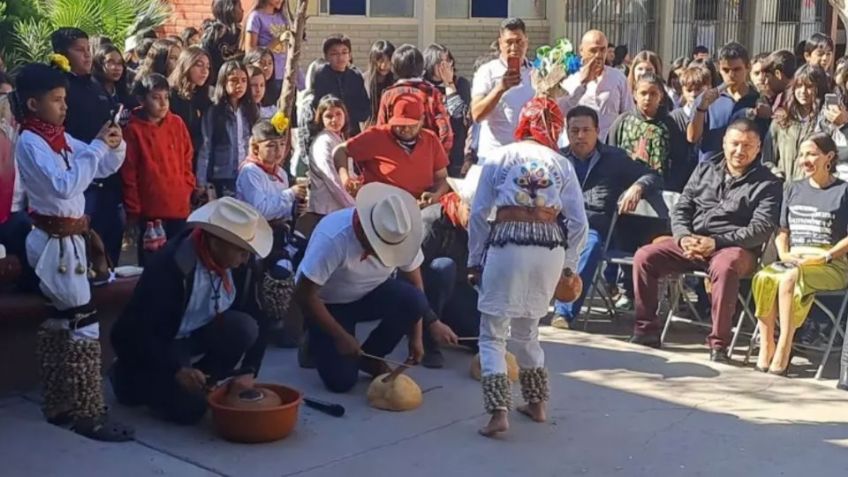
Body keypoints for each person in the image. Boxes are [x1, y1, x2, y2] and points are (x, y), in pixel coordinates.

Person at [13, 63, 132, 441]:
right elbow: (66, 186)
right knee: (84, 319)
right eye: (57, 100)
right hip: (53, 245)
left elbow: (103, 164)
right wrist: (96, 148)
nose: (64, 106)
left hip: (69, 243)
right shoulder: (31, 142)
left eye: (65, 99)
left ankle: (61, 401)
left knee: (62, 320)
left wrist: (112, 142)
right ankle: (87, 411)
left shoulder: (58, 137)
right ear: (33, 104)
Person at [468, 96, 588, 437]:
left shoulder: (500, 156)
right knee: (527, 330)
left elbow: (478, 215)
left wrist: (474, 260)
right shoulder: (561, 163)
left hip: (508, 243)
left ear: (522, 125)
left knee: (492, 334)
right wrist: (569, 265)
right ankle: (536, 403)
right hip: (548, 248)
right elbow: (579, 223)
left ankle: (498, 413)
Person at [630, 118, 782, 362]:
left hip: (734, 248)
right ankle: (646, 329)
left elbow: (760, 229)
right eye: (734, 144)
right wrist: (683, 237)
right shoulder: (705, 169)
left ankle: (718, 344)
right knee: (645, 256)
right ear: (724, 143)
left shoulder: (768, 183)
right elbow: (681, 209)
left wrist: (716, 243)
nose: (739, 151)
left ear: (758, 148)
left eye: (746, 146)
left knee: (725, 266)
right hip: (692, 240)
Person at [111, 197, 272, 424]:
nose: (245, 260)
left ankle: (203, 380)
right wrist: (175, 368)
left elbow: (259, 314)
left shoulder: (240, 265)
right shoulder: (170, 266)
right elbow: (140, 332)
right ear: (216, 243)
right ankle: (138, 382)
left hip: (194, 335)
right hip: (158, 343)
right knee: (191, 409)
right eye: (240, 252)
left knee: (244, 328)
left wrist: (249, 370)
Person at [294, 183, 459, 392]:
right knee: (341, 382)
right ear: (365, 230)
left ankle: (370, 356)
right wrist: (340, 336)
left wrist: (416, 338)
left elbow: (416, 284)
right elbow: (304, 294)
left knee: (414, 301)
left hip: (371, 293)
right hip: (328, 304)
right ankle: (314, 340)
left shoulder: (401, 231)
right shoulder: (334, 238)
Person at [551, 106, 662, 329]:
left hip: (594, 226)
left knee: (588, 245)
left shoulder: (615, 159)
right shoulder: (557, 159)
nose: (580, 136)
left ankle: (564, 312)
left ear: (597, 131)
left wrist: (638, 186)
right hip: (557, 224)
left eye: (586, 130)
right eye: (574, 131)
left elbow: (653, 175)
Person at [752, 134, 848, 376]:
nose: (805, 159)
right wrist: (784, 253)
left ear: (829, 157)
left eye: (812, 154)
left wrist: (825, 258)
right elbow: (782, 231)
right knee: (764, 276)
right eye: (803, 154)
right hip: (794, 257)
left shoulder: (843, 191)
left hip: (830, 262)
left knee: (788, 279)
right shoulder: (792, 188)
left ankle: (785, 344)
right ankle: (766, 343)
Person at [52, 28, 125, 267]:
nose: (87, 56)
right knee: (84, 241)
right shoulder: (59, 86)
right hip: (79, 177)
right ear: (62, 53)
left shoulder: (95, 84)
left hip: (108, 174)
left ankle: (109, 282)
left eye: (88, 50)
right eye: (79, 50)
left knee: (112, 233)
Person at [121, 73, 195, 265]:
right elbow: (129, 172)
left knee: (179, 262)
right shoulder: (133, 129)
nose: (163, 104)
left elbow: (187, 158)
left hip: (179, 205)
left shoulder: (177, 123)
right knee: (153, 265)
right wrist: (133, 210)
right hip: (151, 211)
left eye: (166, 97)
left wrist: (187, 186)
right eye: (155, 98)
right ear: (141, 100)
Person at [418, 166, 484, 367]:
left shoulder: (482, 228)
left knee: (481, 336)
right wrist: (431, 320)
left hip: (457, 287)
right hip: (423, 292)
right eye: (472, 211)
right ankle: (426, 339)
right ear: (460, 201)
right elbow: (410, 276)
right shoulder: (431, 221)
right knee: (443, 267)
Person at [334, 95, 450, 207]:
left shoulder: (431, 140)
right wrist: (346, 180)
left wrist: (435, 195)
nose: (405, 129)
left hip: (418, 210)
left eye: (411, 125)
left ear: (422, 120)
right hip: (380, 209)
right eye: (400, 125)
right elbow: (340, 150)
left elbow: (442, 178)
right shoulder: (376, 136)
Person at [470, 17, 536, 158]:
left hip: (528, 157)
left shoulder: (537, 72)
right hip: (495, 157)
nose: (514, 48)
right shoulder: (487, 71)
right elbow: (476, 114)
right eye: (509, 42)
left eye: (519, 42)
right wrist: (501, 88)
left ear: (526, 42)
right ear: (500, 44)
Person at [688, 42, 760, 162]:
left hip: (746, 173)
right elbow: (692, 137)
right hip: (711, 171)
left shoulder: (757, 100)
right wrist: (701, 109)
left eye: (737, 69)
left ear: (748, 67)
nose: (731, 75)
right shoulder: (706, 99)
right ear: (719, 69)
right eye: (726, 70)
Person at [376, 44, 453, 154]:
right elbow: (445, 131)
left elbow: (381, 131)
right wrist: (438, 156)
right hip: (426, 158)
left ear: (394, 68)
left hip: (396, 158)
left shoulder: (388, 95)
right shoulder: (432, 93)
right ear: (421, 67)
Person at [196, 61, 258, 198]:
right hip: (222, 176)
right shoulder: (214, 111)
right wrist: (201, 181)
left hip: (247, 173)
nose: (239, 85)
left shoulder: (250, 110)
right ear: (224, 82)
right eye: (234, 80)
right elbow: (205, 147)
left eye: (243, 81)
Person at [562, 30, 634, 143]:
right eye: (593, 50)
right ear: (581, 50)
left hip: (609, 149)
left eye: (602, 50)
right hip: (578, 147)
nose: (598, 55)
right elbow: (563, 114)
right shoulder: (570, 82)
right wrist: (583, 83)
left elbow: (629, 116)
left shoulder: (618, 78)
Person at [762, 64, 830, 182]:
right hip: (782, 189)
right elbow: (767, 159)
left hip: (810, 192)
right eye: (799, 86)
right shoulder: (781, 120)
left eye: (809, 86)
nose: (803, 91)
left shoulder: (825, 123)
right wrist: (777, 175)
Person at [305, 95, 353, 227]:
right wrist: (352, 206)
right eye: (329, 116)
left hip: (338, 207)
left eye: (338, 114)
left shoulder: (338, 138)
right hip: (325, 210)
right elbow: (331, 178)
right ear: (321, 118)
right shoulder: (323, 142)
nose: (335, 120)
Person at [424, 43, 471, 177]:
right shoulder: (423, 86)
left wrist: (449, 84)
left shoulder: (461, 83)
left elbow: (457, 114)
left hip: (455, 150)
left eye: (448, 61)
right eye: (440, 62)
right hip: (429, 150)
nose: (445, 67)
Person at [311, 34, 369, 136]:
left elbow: (364, 108)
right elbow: (318, 107)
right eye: (334, 54)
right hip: (329, 130)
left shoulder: (355, 76)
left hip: (352, 130)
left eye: (344, 52)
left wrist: (346, 117)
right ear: (326, 56)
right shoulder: (321, 76)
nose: (340, 57)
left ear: (350, 55)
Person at [168, 46, 212, 173]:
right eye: (199, 65)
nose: (205, 71)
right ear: (186, 65)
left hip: (197, 161)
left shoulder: (202, 96)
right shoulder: (170, 95)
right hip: (175, 161)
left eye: (208, 67)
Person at [668, 65, 711, 192]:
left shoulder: (713, 114)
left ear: (707, 87)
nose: (694, 94)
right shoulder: (674, 117)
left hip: (706, 181)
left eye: (698, 90)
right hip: (679, 181)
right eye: (689, 90)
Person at [244, 0, 292, 96]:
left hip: (285, 74)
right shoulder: (256, 17)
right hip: (266, 77)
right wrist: (274, 44)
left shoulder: (282, 17)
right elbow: (250, 52)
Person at [202, 0, 245, 83]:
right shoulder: (239, 33)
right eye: (239, 7)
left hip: (213, 83)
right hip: (234, 82)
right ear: (230, 10)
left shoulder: (210, 32)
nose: (242, 10)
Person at [363, 40, 395, 126]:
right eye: (380, 60)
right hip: (369, 128)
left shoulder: (396, 81)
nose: (384, 65)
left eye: (388, 61)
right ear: (373, 60)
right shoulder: (363, 80)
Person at [92, 44, 133, 109]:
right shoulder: (92, 93)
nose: (116, 68)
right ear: (99, 64)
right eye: (110, 62)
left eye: (119, 63)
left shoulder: (124, 93)